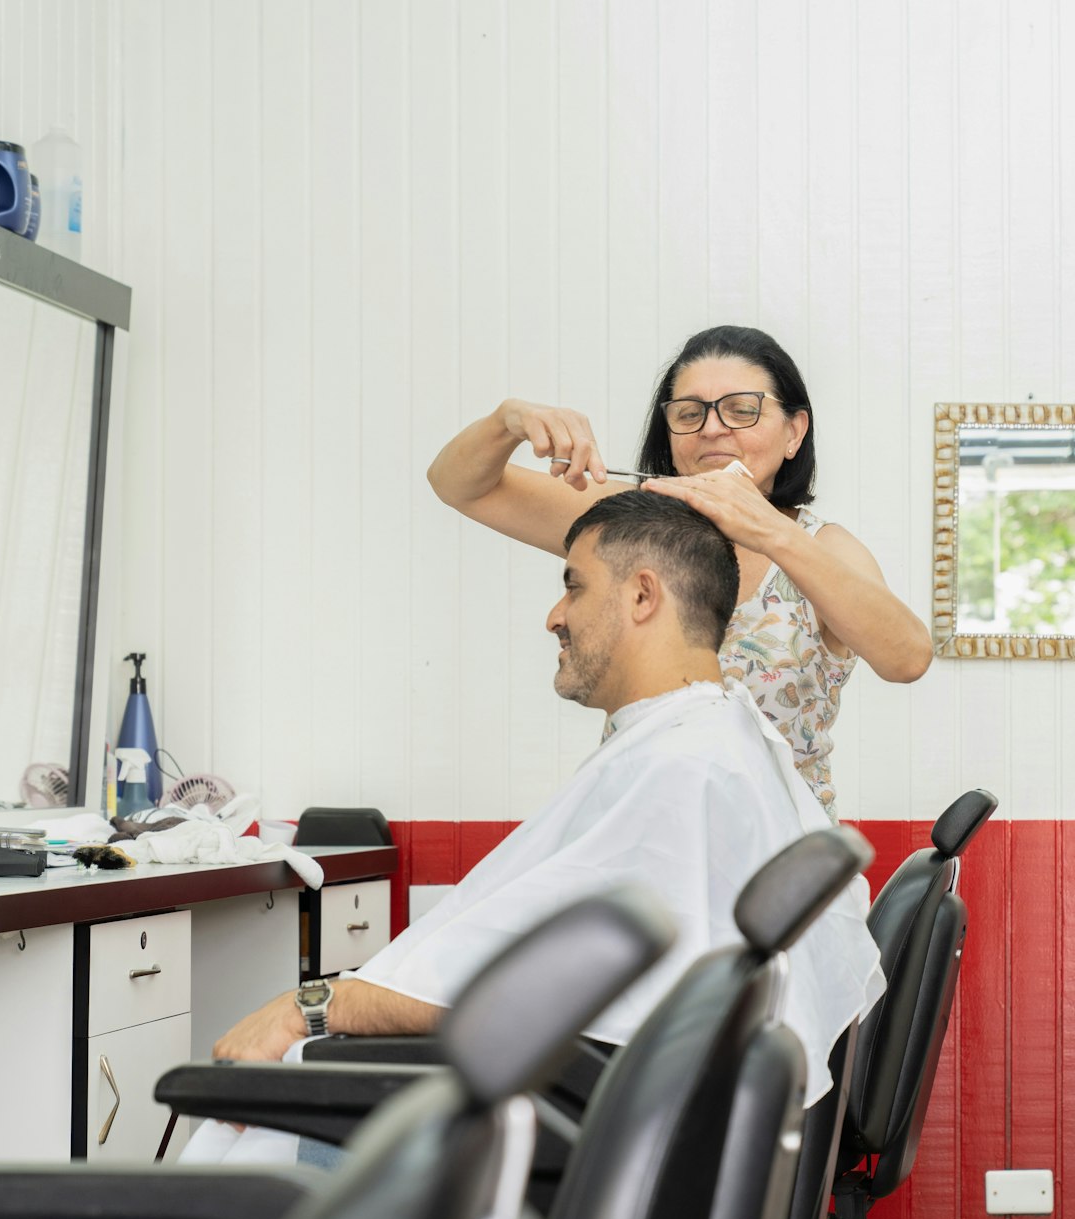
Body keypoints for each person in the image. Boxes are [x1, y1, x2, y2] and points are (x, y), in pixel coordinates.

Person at [211, 491, 882, 1109]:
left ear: (643, 596)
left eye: (573, 586)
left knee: (255, 1103)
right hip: (603, 1116)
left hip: (563, 1133)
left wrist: (315, 1006)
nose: (553, 616)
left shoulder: (682, 765)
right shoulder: (711, 738)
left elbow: (536, 997)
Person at [427, 324, 933, 816]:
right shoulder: (631, 524)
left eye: (741, 410)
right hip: (641, 840)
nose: (712, 428)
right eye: (689, 413)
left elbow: (907, 659)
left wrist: (772, 532)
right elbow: (459, 485)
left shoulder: (823, 547)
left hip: (776, 863)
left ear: (793, 432)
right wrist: (507, 420)